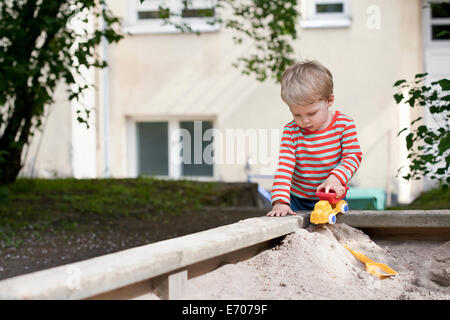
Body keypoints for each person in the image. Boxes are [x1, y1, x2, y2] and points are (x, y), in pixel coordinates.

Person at [267, 60, 363, 217]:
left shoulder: (343, 124)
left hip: (331, 194)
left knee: (331, 229)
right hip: (297, 198)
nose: (304, 121)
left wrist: (335, 178)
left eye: (311, 113)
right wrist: (280, 201)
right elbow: (285, 167)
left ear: (329, 101)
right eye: (297, 114)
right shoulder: (292, 131)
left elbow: (352, 156)